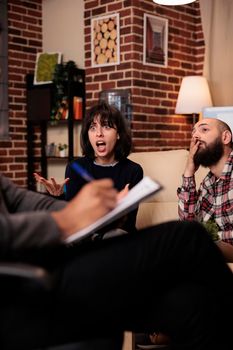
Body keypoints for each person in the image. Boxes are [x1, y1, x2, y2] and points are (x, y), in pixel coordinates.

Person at [1, 172, 233, 350]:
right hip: (18, 288)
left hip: (47, 265)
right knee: (186, 237)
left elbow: (24, 201)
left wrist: (97, 213)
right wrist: (65, 220)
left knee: (193, 304)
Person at [34, 101, 143, 233]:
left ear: (118, 134)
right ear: (88, 135)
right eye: (93, 128)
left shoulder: (133, 170)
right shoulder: (75, 167)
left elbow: (128, 223)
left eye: (106, 127)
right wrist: (58, 197)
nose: (99, 133)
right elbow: (71, 218)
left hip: (117, 237)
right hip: (85, 236)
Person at [177, 117, 233, 260]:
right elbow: (187, 222)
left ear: (225, 137)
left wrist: (206, 236)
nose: (195, 136)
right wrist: (189, 172)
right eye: (193, 133)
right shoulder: (208, 183)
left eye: (204, 129)